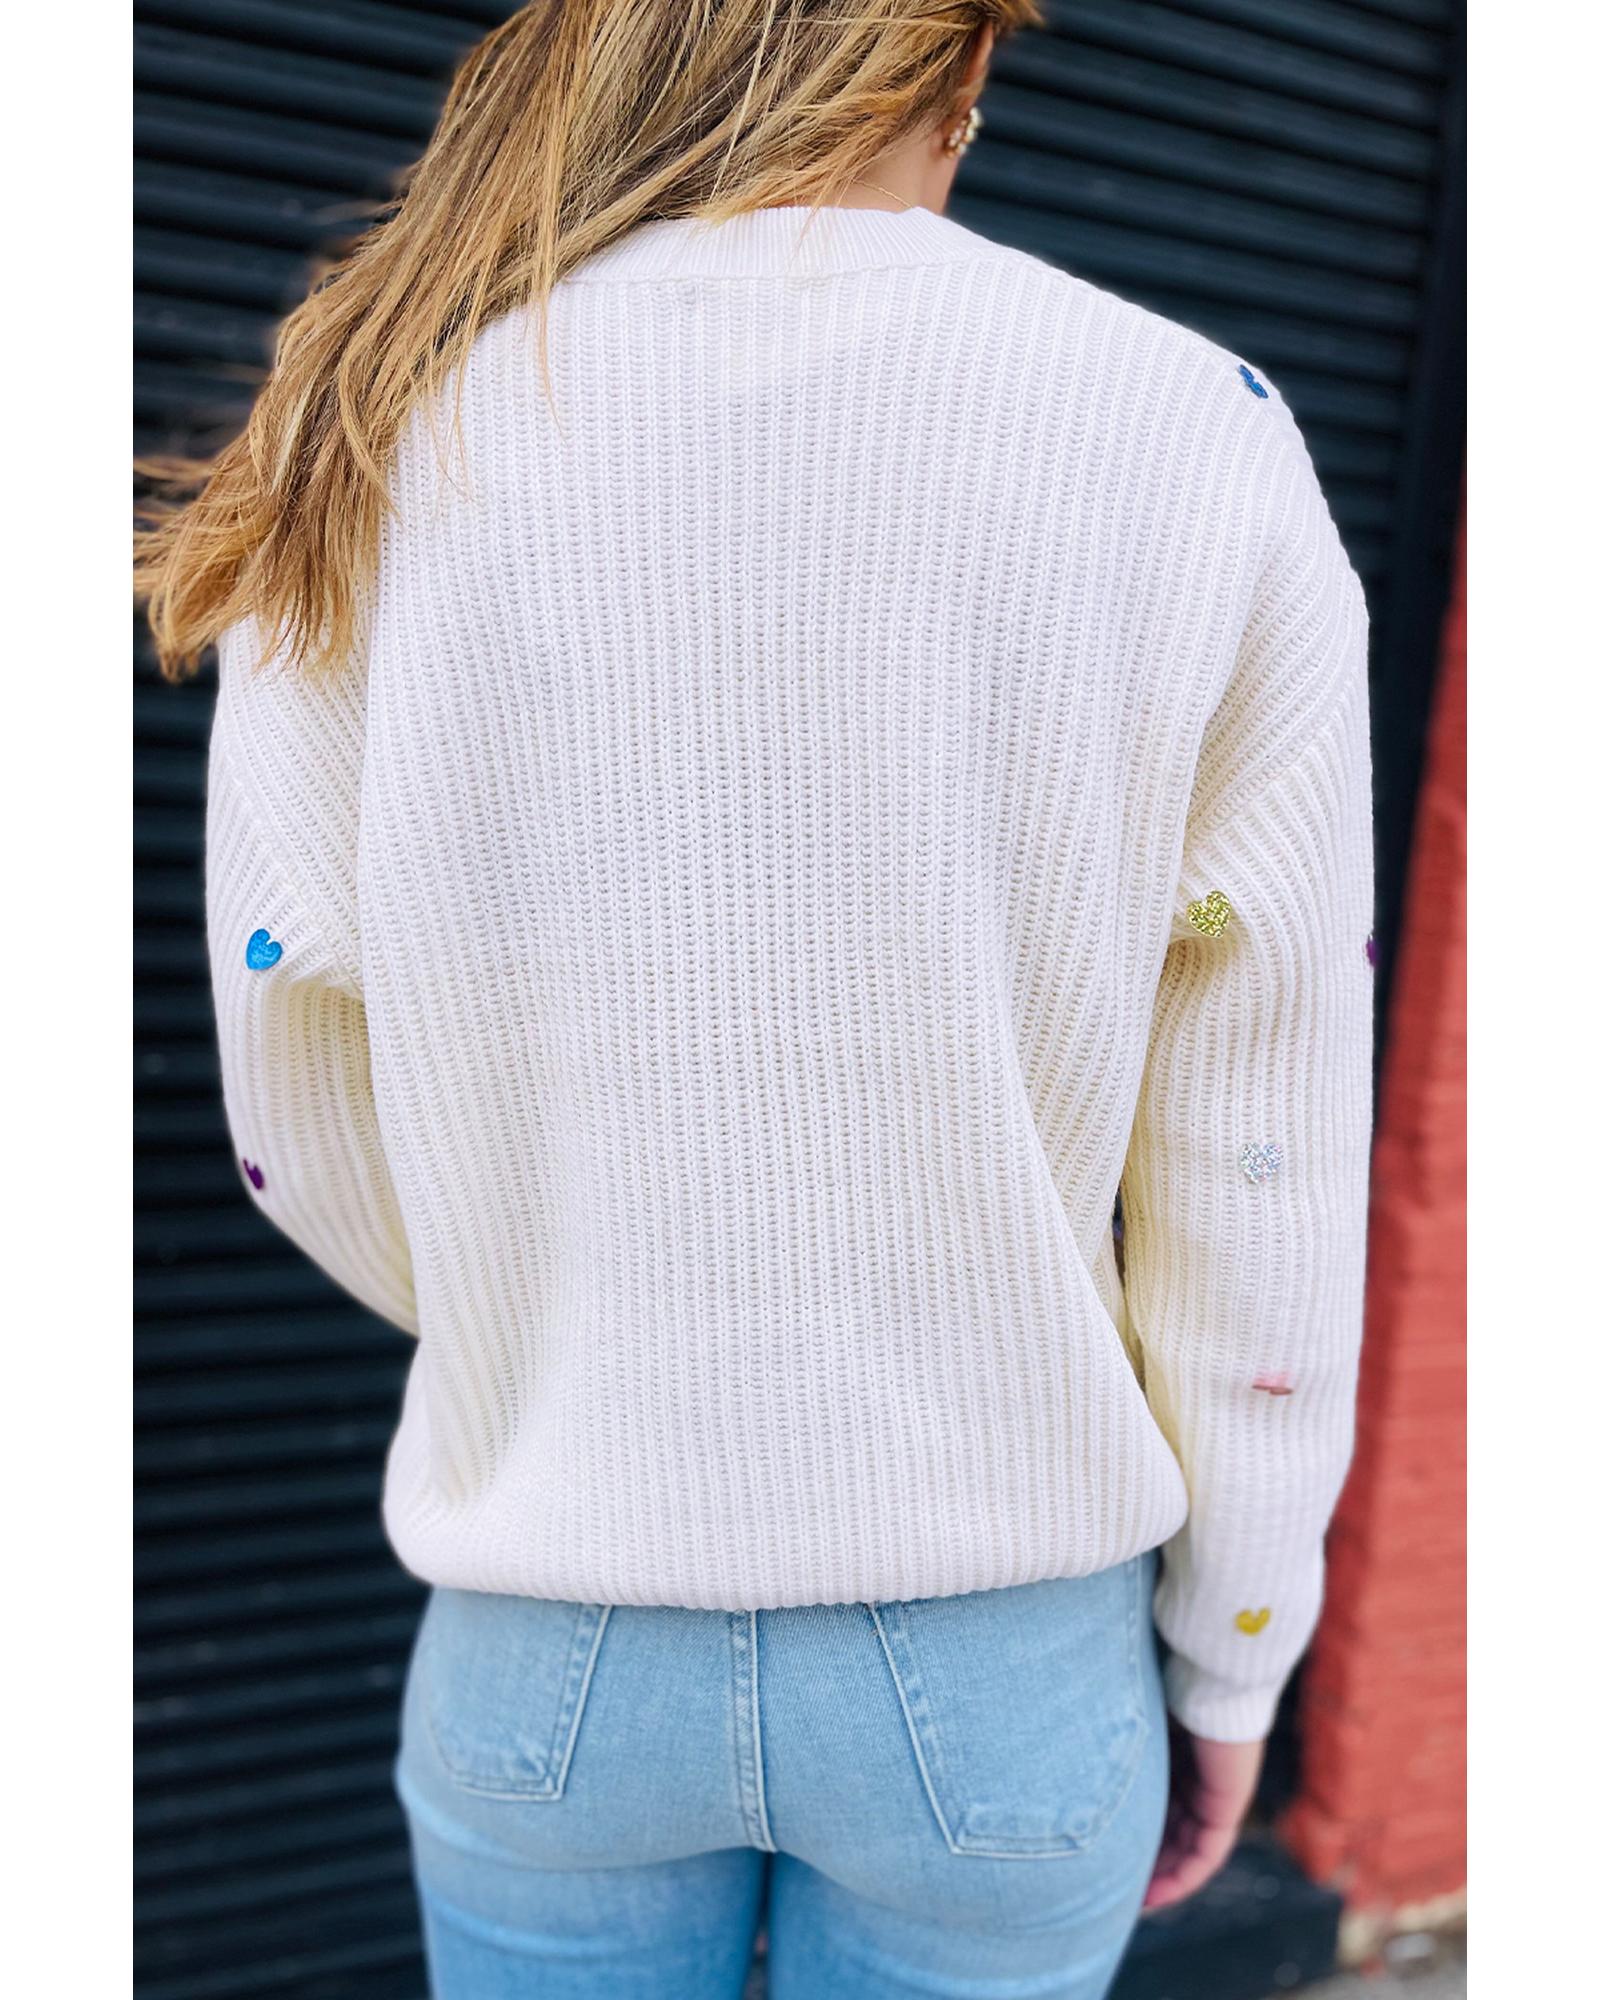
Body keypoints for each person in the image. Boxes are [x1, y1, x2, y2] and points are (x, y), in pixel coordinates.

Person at [135, 3, 1375, 1995]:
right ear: (960, 77)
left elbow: (301, 1089)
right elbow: (1258, 1159)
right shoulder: (1190, 429)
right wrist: (1236, 1652)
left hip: (546, 1636)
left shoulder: (385, 414)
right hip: (1005, 1659)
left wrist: (556, 1320)